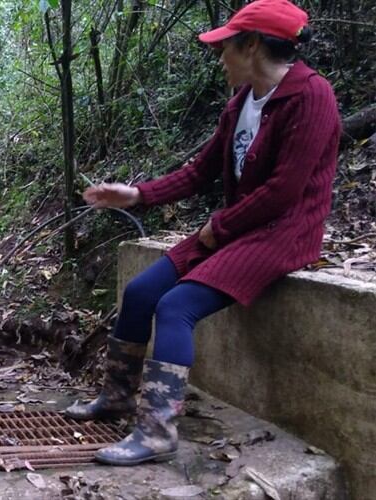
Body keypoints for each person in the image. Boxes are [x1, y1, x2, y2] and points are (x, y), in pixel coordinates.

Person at [65, 0, 340, 466]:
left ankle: (157, 432)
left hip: (284, 232)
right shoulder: (242, 102)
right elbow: (201, 171)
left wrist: (219, 228)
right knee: (140, 292)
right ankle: (116, 397)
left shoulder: (312, 97)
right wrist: (136, 194)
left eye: (225, 48)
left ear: (252, 46)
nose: (220, 58)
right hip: (240, 225)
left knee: (176, 307)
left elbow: (283, 192)